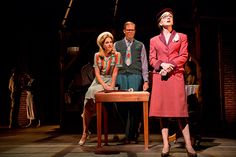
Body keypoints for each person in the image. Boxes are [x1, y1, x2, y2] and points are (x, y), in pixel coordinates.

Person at [149, 8, 197, 157]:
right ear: (160, 22)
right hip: (161, 78)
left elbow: (183, 56)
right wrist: (161, 65)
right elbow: (152, 59)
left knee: (180, 112)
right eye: (165, 16)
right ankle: (165, 145)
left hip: (175, 76)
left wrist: (169, 65)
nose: (168, 17)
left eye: (170, 16)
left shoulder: (182, 37)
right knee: (162, 113)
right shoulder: (154, 40)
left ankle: (189, 145)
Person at [78, 31, 122, 146]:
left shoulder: (117, 55)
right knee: (88, 101)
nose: (110, 44)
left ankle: (94, 110)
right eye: (107, 42)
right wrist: (104, 86)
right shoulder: (97, 56)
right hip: (99, 82)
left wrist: (111, 86)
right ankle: (84, 132)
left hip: (110, 80)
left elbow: (115, 73)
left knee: (92, 103)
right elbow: (97, 74)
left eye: (111, 42)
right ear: (102, 45)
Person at [114, 21, 149, 144]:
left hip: (135, 76)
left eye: (132, 30)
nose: (130, 32)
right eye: (128, 30)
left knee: (134, 106)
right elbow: (113, 64)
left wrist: (146, 80)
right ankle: (131, 132)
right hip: (121, 76)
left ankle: (130, 136)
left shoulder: (140, 45)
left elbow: (144, 64)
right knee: (120, 106)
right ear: (124, 31)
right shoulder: (116, 45)